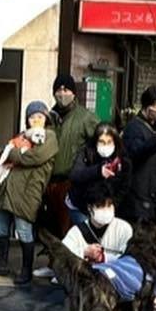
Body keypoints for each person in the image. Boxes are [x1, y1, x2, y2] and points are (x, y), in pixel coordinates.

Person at [0, 102, 58, 287]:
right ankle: (1, 263)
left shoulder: (49, 136)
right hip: (8, 190)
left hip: (28, 191)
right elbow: (7, 148)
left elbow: (34, 157)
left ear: (46, 119)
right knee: (0, 226)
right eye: (32, 117)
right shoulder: (22, 135)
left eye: (40, 117)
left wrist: (11, 154)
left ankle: (26, 270)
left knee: (23, 230)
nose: (36, 120)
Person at [59, 185, 144, 301]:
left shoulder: (124, 228)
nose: (106, 210)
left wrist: (103, 258)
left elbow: (129, 260)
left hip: (116, 288)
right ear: (90, 208)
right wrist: (84, 252)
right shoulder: (76, 232)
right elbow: (62, 257)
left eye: (109, 205)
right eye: (100, 206)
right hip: (85, 290)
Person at [43, 74, 98, 236]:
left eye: (66, 90)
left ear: (73, 93)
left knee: (69, 231)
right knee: (50, 230)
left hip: (71, 183)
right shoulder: (49, 117)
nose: (62, 94)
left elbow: (102, 140)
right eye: (58, 90)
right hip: (48, 182)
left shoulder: (85, 117)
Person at [120, 85, 156, 227]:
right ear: (146, 106)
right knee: (139, 234)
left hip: (152, 194)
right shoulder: (133, 128)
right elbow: (135, 154)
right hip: (137, 197)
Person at [67, 123, 131, 226]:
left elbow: (124, 185)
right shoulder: (86, 153)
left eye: (109, 142)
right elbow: (75, 175)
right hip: (81, 206)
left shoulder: (122, 159)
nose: (105, 145)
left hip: (106, 208)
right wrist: (97, 171)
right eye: (102, 142)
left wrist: (111, 204)